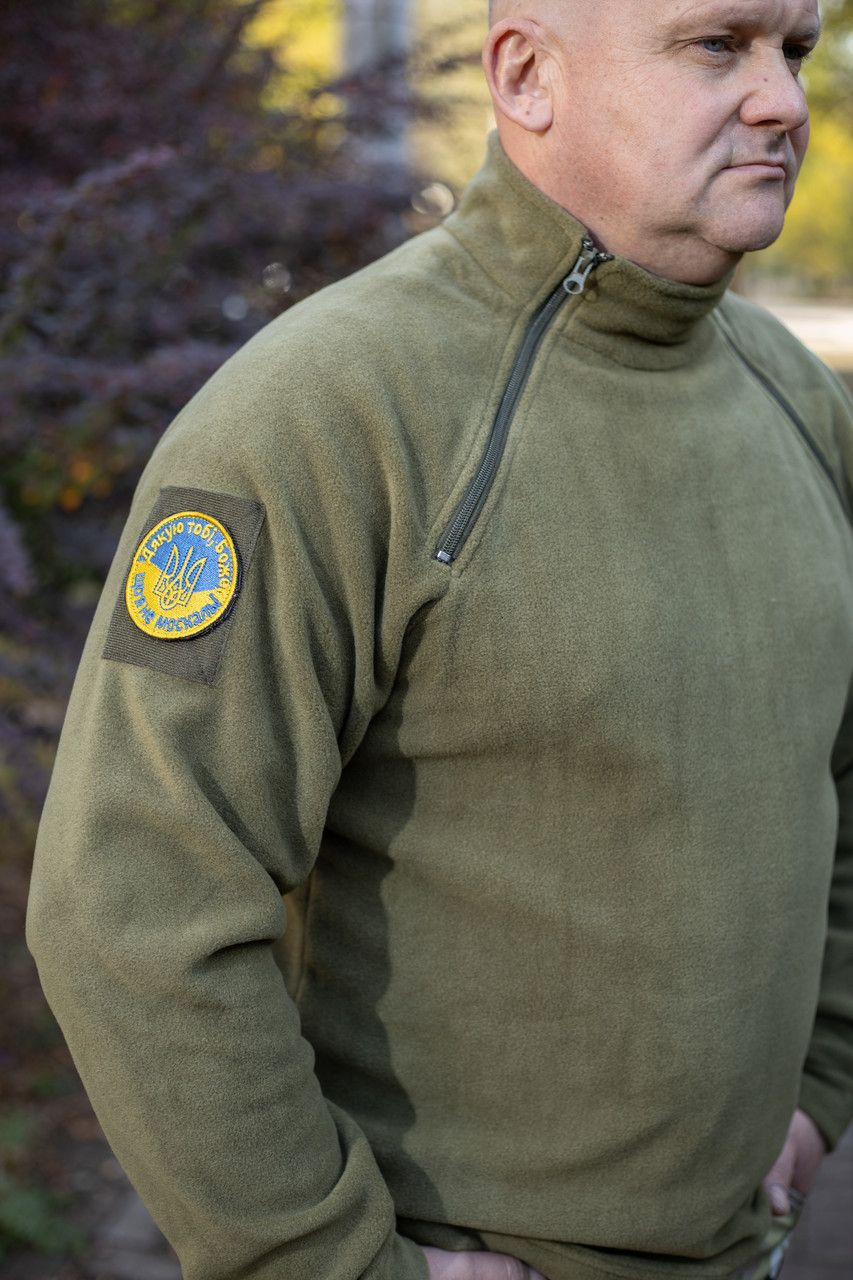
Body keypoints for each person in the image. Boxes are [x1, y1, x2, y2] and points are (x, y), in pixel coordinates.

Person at [27, 0, 853, 1277]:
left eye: (791, 50)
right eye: (715, 44)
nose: (783, 101)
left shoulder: (798, 398)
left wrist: (820, 1080)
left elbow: (837, 778)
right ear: (525, 75)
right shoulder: (323, 412)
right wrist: (332, 1260)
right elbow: (134, 904)